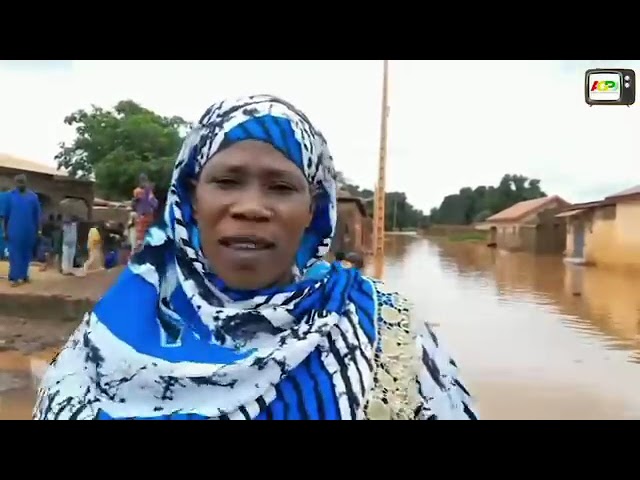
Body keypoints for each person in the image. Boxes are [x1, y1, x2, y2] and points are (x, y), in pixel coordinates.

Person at [33, 95, 477, 420]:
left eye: (281, 187)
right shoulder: (107, 338)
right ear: (190, 198)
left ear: (312, 209)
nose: (251, 207)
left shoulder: (387, 333)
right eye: (227, 181)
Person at [4, 174, 41, 287]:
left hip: (29, 230)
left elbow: (37, 215)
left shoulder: (33, 197)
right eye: (18, 182)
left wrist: (38, 230)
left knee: (27, 254)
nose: (20, 184)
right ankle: (14, 277)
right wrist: (4, 231)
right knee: (14, 254)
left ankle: (24, 275)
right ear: (15, 183)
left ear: (26, 182)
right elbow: (5, 215)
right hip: (14, 229)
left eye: (22, 181)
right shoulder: (10, 196)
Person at [132, 174, 158, 251]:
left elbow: (136, 202)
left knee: (141, 235)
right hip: (146, 215)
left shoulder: (140, 191)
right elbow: (154, 203)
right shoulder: (147, 191)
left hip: (143, 216)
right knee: (144, 234)